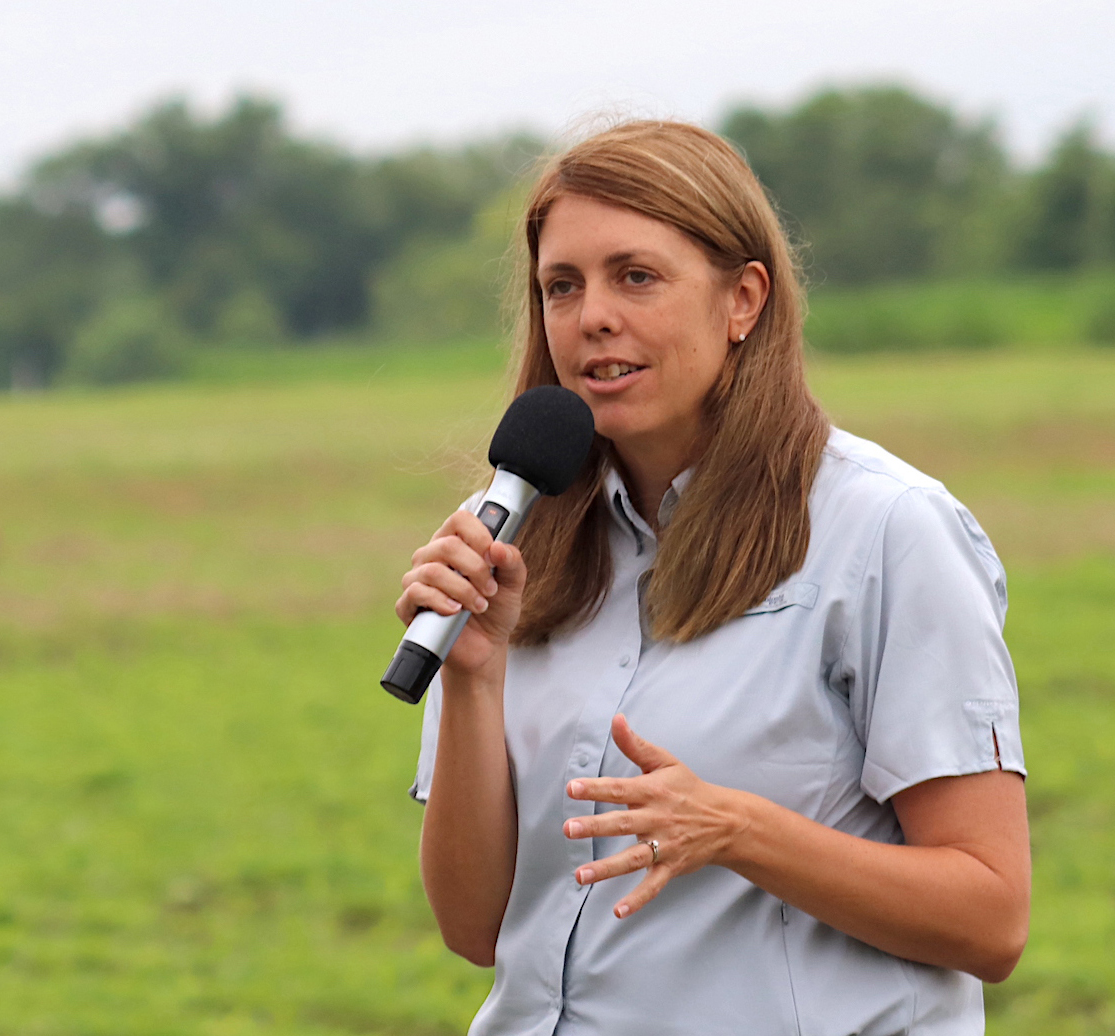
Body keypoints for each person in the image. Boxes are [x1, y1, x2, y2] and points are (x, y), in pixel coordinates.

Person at [397, 121, 1030, 1036]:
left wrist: (738, 830)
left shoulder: (886, 529)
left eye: (637, 276)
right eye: (560, 287)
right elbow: (475, 928)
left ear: (744, 300)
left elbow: (992, 918)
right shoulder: (514, 536)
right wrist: (473, 674)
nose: (592, 317)